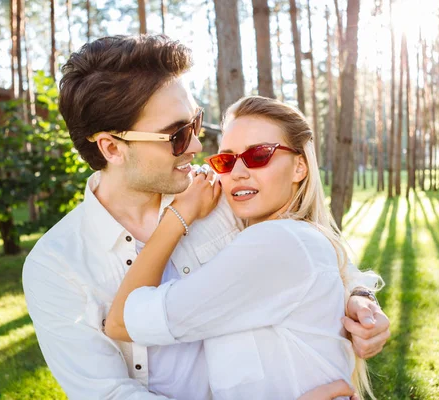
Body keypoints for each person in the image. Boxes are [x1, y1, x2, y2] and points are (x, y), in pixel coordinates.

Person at [22, 35, 390, 400]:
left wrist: (359, 299)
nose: (198, 146)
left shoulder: (225, 195)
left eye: (195, 123)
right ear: (112, 148)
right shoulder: (56, 265)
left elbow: (309, 255)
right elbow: (108, 395)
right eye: (177, 135)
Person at [104, 95, 380, 399]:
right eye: (226, 159)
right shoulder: (291, 237)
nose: (237, 172)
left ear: (300, 167)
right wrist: (360, 294)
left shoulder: (276, 242)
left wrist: (177, 217)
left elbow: (122, 320)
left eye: (259, 155)